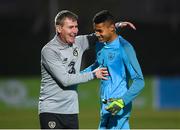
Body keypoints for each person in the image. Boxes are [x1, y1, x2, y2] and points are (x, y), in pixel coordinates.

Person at [38, 10, 136, 129]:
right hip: (51, 110)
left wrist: (116, 25)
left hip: (71, 111)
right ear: (59, 28)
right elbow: (65, 80)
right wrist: (93, 74)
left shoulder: (78, 43)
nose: (75, 31)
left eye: (76, 26)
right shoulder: (49, 50)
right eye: (70, 27)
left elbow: (98, 35)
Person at [82, 10, 145, 129]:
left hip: (118, 109)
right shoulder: (100, 45)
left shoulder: (125, 48)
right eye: (95, 30)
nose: (97, 34)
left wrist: (121, 102)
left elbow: (139, 81)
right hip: (104, 108)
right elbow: (98, 65)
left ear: (111, 28)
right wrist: (78, 76)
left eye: (100, 31)